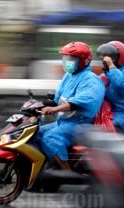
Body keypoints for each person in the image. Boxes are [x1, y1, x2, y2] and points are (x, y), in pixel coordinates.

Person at [35, 41, 105, 170]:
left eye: (71, 58)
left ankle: (66, 171)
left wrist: (55, 109)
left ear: (83, 60)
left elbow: (77, 103)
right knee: (35, 133)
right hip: (63, 122)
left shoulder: (91, 80)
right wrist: (37, 105)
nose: (66, 61)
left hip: (80, 125)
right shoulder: (69, 76)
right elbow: (57, 99)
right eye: (65, 57)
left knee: (51, 137)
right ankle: (48, 167)